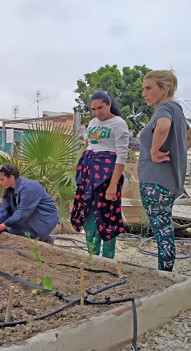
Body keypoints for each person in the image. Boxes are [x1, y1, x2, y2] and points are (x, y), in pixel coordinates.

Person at [138, 70, 191, 272]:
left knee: (162, 230)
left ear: (164, 89)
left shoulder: (164, 109)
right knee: (165, 229)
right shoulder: (177, 110)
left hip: (155, 181)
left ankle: (165, 275)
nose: (144, 93)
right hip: (168, 182)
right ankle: (167, 272)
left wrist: (154, 152)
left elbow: (162, 128)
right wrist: (174, 153)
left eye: (148, 88)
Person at [70, 91, 130, 259]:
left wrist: (113, 184)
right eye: (94, 109)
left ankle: (107, 260)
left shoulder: (119, 123)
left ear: (109, 104)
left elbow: (122, 155)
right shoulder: (92, 122)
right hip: (89, 175)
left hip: (107, 177)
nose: (97, 112)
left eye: (100, 108)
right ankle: (92, 257)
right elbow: (90, 145)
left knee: (107, 216)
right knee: (88, 214)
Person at [0, 163, 59, 242]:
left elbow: (22, 214)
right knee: (6, 228)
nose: (0, 183)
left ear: (11, 177)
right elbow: (4, 209)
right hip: (28, 218)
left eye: (2, 179)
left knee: (11, 229)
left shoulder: (29, 188)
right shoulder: (9, 189)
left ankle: (44, 238)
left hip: (43, 220)